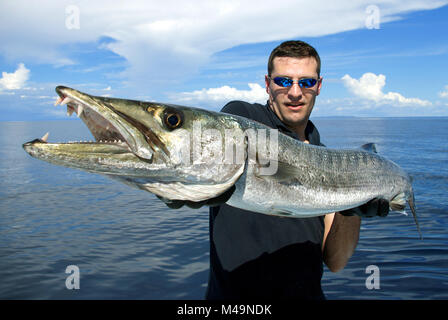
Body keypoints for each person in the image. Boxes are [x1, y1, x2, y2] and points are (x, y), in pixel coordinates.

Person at [159, 40, 389, 299]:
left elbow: (336, 262)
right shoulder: (241, 119)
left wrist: (351, 211)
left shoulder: (325, 157)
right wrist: (179, 186)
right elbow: (214, 150)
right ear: (268, 85)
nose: (294, 92)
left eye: (306, 82)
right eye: (283, 81)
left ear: (319, 86)